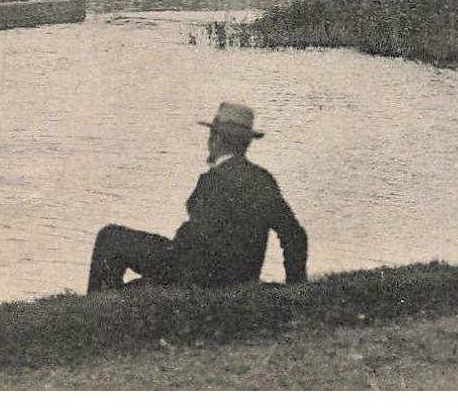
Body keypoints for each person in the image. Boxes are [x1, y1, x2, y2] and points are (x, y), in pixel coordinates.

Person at [87, 102, 307, 293]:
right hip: (238, 278)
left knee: (111, 237)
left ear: (216, 139)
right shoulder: (263, 179)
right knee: (138, 280)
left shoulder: (213, 180)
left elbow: (198, 244)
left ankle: (95, 310)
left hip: (200, 276)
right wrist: (295, 286)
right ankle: (109, 303)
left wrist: (171, 264)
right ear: (246, 143)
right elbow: (295, 236)